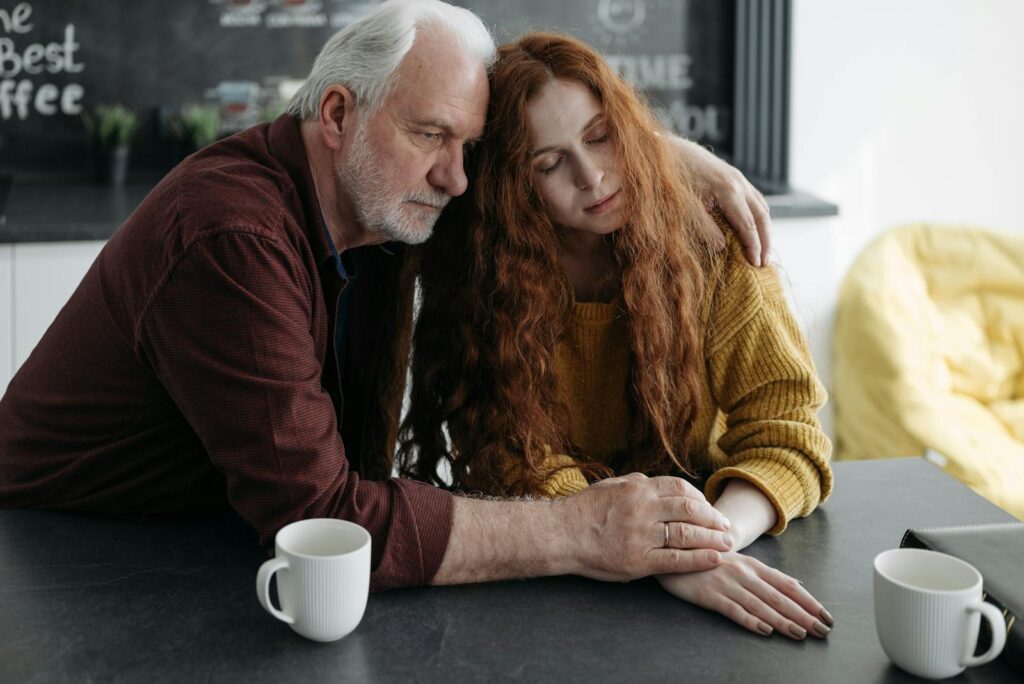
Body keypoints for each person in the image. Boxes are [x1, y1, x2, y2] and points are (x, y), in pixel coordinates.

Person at [0, 1, 766, 592]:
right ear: (337, 114)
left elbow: (538, 129)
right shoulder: (232, 237)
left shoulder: (385, 196)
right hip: (60, 559)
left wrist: (661, 156)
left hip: (203, 543)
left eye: (465, 147)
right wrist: (583, 532)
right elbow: (326, 527)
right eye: (433, 136)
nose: (456, 178)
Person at [398, 32, 834, 639]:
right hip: (558, 581)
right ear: (513, 185)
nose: (592, 176)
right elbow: (515, 463)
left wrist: (698, 548)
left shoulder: (711, 241)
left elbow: (788, 433)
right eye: (549, 164)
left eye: (600, 137)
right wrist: (634, 548)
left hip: (717, 545)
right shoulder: (490, 277)